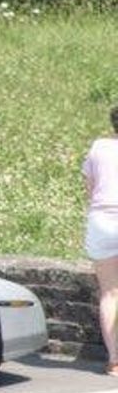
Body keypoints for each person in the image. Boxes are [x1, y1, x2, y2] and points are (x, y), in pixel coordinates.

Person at [82, 104, 118, 375]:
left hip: (101, 222)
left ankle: (114, 360)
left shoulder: (98, 147)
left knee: (109, 294)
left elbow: (90, 189)